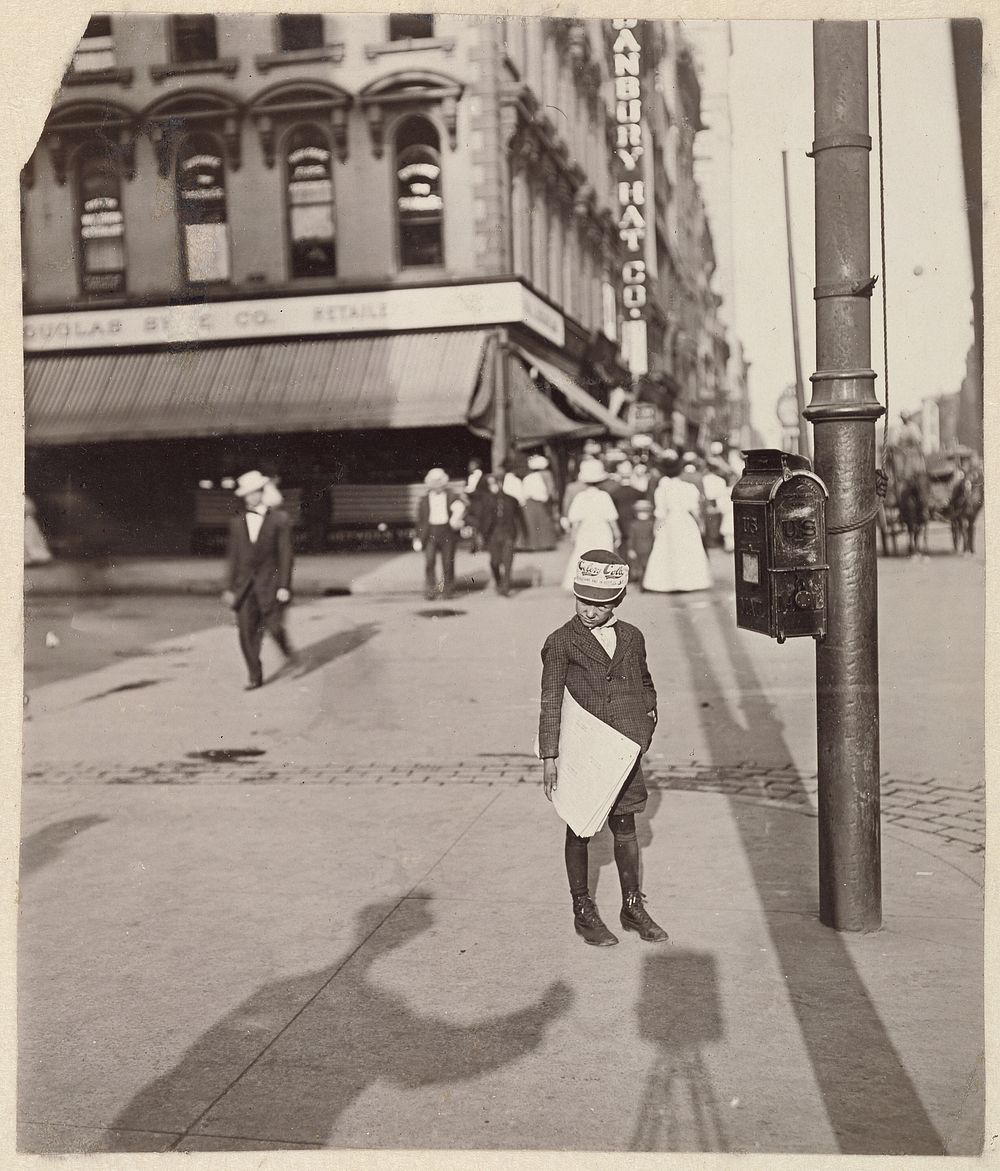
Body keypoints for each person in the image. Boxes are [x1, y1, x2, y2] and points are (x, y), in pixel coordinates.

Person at [539, 548, 668, 946]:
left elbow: (644, 683)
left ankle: (632, 906)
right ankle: (583, 908)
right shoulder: (561, 641)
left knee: (625, 826)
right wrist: (550, 756)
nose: (590, 611)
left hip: (624, 749)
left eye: (600, 604)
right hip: (582, 750)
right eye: (583, 601)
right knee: (579, 826)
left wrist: (645, 723)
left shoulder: (631, 636)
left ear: (619, 601)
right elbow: (550, 701)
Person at [222, 469, 297, 690]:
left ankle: (285, 648)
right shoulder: (237, 523)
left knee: (274, 627)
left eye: (255, 493)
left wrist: (284, 585)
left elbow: (286, 555)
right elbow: (233, 556)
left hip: (270, 583)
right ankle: (255, 675)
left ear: (263, 492)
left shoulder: (279, 520)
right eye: (247, 494)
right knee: (246, 632)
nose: (251, 498)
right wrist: (228, 586)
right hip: (244, 587)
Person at [642, 456, 712, 593]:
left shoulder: (662, 489)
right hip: (686, 521)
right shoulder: (689, 487)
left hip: (670, 521)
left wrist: (656, 529)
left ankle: (669, 583)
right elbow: (695, 510)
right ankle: (689, 582)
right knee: (687, 550)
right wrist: (701, 524)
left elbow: (660, 513)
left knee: (668, 550)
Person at [561, 459, 620, 591]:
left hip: (585, 530)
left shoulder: (580, 497)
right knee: (604, 554)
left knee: (583, 554)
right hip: (602, 530)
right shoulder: (604, 496)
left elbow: (576, 520)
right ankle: (603, 582)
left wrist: (573, 535)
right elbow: (611, 519)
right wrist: (617, 533)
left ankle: (583, 581)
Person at [414, 467, 465, 600]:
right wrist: (418, 538)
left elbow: (463, 508)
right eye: (434, 482)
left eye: (439, 481)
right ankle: (430, 590)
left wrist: (458, 516)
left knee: (448, 562)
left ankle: (448, 590)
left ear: (444, 482)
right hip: (430, 531)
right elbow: (420, 521)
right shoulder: (424, 500)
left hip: (447, 531)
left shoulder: (452, 496)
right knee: (429, 562)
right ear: (429, 483)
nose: (437, 485)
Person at [480, 472, 528, 595]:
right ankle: (498, 581)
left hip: (508, 533)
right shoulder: (487, 500)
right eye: (490, 484)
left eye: (494, 483)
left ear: (501, 484)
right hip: (493, 534)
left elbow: (520, 517)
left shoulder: (512, 500)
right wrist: (482, 535)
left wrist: (525, 533)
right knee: (494, 562)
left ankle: (505, 587)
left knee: (507, 560)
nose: (493, 486)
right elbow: (483, 519)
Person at [521, 454, 558, 551]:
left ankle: (533, 545)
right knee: (544, 522)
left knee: (533, 523)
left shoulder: (528, 476)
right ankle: (545, 544)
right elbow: (550, 489)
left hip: (530, 501)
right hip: (541, 499)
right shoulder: (547, 474)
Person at [626, 498, 655, 586]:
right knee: (646, 566)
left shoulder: (633, 524)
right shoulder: (652, 523)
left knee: (640, 567)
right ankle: (645, 583)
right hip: (649, 547)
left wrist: (630, 548)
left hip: (638, 548)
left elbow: (631, 538)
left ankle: (642, 583)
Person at [24, 496, 53, 566]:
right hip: (22, 521)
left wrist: (26, 514)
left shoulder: (27, 500)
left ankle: (35, 557)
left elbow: (33, 510)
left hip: (28, 522)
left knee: (31, 538)